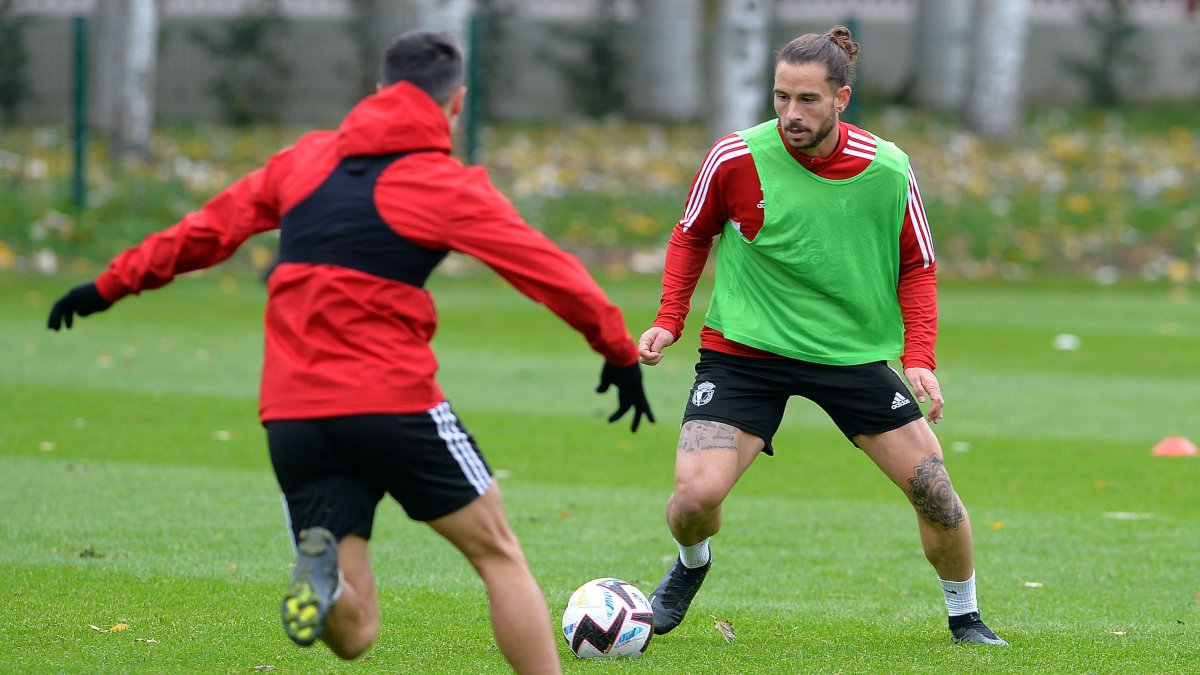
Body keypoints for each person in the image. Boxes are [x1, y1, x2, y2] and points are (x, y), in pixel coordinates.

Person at [47, 30, 654, 672]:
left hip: (293, 416)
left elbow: (204, 232)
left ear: (377, 92)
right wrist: (617, 352)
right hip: (393, 403)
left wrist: (107, 285)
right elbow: (552, 272)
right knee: (498, 553)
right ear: (456, 103)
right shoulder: (443, 184)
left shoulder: (301, 162)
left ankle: (326, 583)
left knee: (356, 633)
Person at [637, 26, 1006, 646]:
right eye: (781, 97)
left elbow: (918, 264)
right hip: (745, 352)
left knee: (936, 492)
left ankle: (965, 616)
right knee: (694, 499)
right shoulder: (735, 158)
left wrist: (919, 358)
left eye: (807, 99)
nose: (790, 114)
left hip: (850, 357)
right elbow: (690, 234)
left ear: (842, 98)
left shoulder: (887, 169)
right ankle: (689, 567)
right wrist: (669, 320)